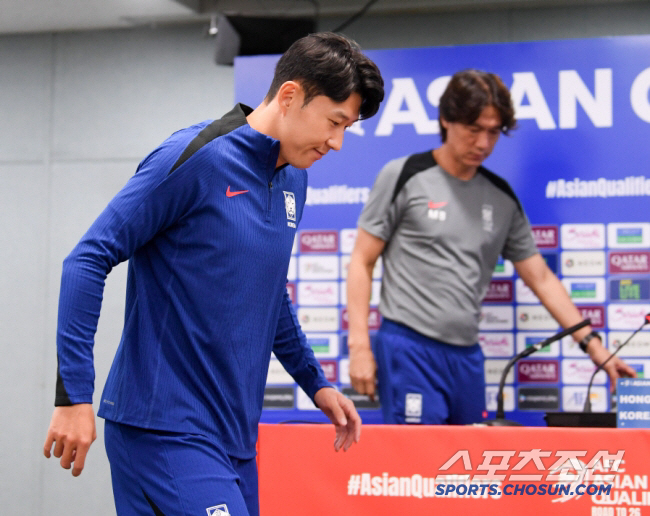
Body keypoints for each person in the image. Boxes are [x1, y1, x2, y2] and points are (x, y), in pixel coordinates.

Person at [43, 32, 384, 515]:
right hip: (162, 429)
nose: (337, 141)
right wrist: (73, 395)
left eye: (347, 127)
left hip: (234, 439)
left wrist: (317, 383)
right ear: (290, 96)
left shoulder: (294, 180)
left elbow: (270, 296)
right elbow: (87, 258)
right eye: (334, 122)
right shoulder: (196, 155)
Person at [346, 69, 635, 425]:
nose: (483, 143)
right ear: (446, 121)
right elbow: (361, 260)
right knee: (419, 472)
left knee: (470, 471)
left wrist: (596, 348)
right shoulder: (403, 174)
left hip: (468, 356)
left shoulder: (501, 197)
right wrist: (359, 346)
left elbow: (541, 278)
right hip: (409, 349)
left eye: (493, 132)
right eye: (473, 129)